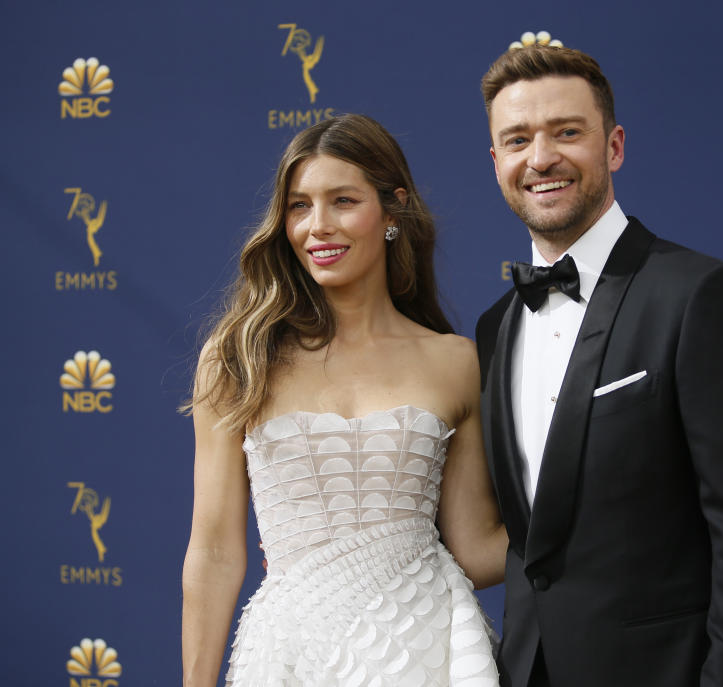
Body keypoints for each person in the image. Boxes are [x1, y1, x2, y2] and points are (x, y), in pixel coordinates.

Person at [474, 44, 723, 686]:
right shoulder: (495, 327)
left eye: (567, 132)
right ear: (496, 162)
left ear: (614, 146)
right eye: (518, 140)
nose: (540, 158)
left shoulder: (702, 296)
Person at [181, 114, 504, 687]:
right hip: (290, 658)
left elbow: (476, 551)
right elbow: (214, 552)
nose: (318, 227)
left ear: (393, 211)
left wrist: (598, 519)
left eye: (343, 201)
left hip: (429, 657)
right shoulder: (238, 358)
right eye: (300, 205)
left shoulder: (456, 361)